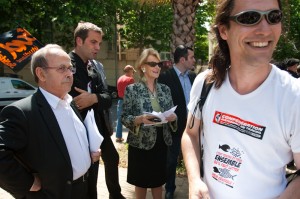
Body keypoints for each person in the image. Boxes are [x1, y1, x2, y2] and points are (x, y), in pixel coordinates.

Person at [181, 0, 300, 198]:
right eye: (249, 18)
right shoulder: (205, 83)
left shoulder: (294, 96)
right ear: (224, 31)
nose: (264, 29)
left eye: (273, 17)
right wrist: (194, 180)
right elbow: (190, 134)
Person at [0, 44, 101, 199]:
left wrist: (88, 153)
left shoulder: (70, 102)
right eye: (62, 68)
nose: (69, 74)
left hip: (85, 188)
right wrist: (26, 184)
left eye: (70, 68)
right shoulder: (23, 112)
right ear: (41, 74)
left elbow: (67, 143)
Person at [68, 21, 125, 199]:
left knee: (112, 158)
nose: (98, 47)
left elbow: (107, 98)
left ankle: (115, 194)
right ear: (79, 41)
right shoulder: (66, 66)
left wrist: (93, 98)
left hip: (98, 127)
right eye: (93, 42)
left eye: (99, 43)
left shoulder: (95, 67)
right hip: (77, 131)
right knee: (90, 172)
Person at [121, 48, 177, 199]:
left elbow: (172, 113)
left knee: (158, 182)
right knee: (141, 182)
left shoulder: (165, 89)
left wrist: (173, 117)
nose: (157, 67)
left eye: (159, 64)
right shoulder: (132, 90)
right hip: (140, 144)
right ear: (142, 66)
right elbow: (125, 117)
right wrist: (139, 119)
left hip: (160, 142)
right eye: (153, 63)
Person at [158, 45, 196, 199]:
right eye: (192, 57)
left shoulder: (194, 77)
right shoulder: (166, 77)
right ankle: (170, 188)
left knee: (195, 158)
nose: (194, 60)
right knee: (171, 160)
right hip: (174, 126)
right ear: (182, 59)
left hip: (193, 127)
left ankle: (195, 187)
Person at [116, 65, 136, 143]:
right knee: (132, 119)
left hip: (120, 101)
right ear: (130, 71)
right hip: (128, 102)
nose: (133, 73)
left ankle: (118, 137)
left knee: (119, 119)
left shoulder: (120, 78)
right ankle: (132, 137)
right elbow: (133, 92)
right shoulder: (130, 79)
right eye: (133, 71)